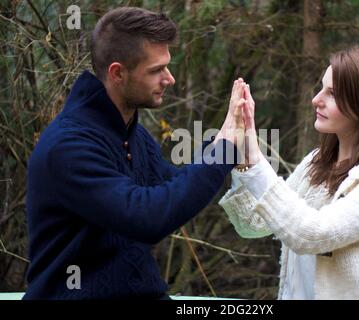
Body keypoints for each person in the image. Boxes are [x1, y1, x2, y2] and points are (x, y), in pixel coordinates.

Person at [24, 7, 247, 299]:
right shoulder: (68, 147)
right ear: (118, 73)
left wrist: (223, 140)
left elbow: (172, 189)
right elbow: (148, 216)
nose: (170, 79)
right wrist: (224, 150)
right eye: (156, 70)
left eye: (166, 66)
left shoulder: (132, 134)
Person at [219, 48, 359, 300]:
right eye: (321, 88)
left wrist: (256, 160)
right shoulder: (317, 162)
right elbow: (253, 224)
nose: (316, 100)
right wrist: (243, 158)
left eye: (333, 94)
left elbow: (313, 234)